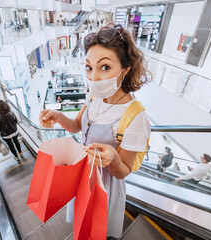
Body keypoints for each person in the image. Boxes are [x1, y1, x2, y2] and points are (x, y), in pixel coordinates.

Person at [39, 23, 151, 238]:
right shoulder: (94, 97)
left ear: (126, 70)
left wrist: (114, 159)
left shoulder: (135, 117)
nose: (93, 77)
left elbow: (124, 171)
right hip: (81, 176)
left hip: (105, 186)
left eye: (105, 67)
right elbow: (77, 126)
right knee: (82, 223)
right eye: (89, 67)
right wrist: (59, 117)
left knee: (99, 229)